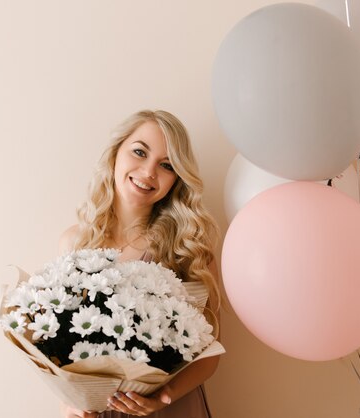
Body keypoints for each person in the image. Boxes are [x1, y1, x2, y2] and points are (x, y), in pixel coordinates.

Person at [57, 110, 221, 418]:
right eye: (139, 152)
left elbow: (210, 356)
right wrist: (70, 402)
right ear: (116, 152)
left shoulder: (189, 251)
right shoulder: (74, 244)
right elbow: (60, 349)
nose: (148, 172)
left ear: (177, 179)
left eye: (166, 165)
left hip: (170, 408)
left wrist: (162, 398)